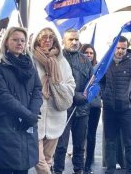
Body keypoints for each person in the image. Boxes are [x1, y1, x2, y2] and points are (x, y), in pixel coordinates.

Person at [0, 27, 43, 174]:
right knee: (7, 168)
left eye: (23, 40)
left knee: (23, 167)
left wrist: (33, 113)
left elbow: (38, 89)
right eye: (15, 39)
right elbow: (2, 95)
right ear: (6, 42)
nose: (20, 43)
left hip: (27, 124)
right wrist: (27, 115)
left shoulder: (29, 64)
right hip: (7, 124)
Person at [30, 27, 75, 174]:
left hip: (56, 115)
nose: (47, 40)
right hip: (36, 115)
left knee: (48, 159)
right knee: (39, 159)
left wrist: (55, 84)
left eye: (51, 37)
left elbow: (71, 85)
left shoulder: (62, 61)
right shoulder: (30, 59)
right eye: (43, 37)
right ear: (37, 39)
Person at [100, 36, 131, 174]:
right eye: (118, 48)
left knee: (129, 142)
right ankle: (110, 170)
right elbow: (100, 81)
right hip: (109, 109)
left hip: (127, 109)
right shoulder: (106, 61)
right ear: (113, 47)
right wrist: (104, 95)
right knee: (110, 141)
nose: (120, 51)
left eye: (123, 48)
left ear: (127, 48)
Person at [53, 29, 93, 174]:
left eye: (76, 39)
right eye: (71, 39)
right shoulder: (57, 58)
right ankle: (57, 170)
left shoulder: (85, 60)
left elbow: (93, 82)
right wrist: (73, 95)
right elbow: (56, 82)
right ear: (63, 41)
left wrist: (87, 96)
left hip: (82, 110)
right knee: (61, 145)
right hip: (63, 108)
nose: (74, 42)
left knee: (79, 146)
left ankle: (79, 170)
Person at [80, 44, 102, 174]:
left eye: (91, 53)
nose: (89, 55)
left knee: (91, 135)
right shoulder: (78, 67)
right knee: (80, 135)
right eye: (86, 52)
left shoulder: (99, 69)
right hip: (80, 105)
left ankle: (88, 163)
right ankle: (79, 162)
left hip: (94, 106)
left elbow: (103, 84)